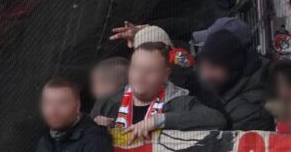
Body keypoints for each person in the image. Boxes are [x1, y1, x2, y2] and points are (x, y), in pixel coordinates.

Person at [90, 41, 228, 137]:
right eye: (136, 69)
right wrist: (93, 127)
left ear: (165, 75)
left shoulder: (179, 101)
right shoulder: (107, 103)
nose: (140, 77)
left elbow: (217, 120)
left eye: (149, 71)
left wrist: (160, 121)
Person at [194, 19, 273, 131]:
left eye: (213, 67)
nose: (205, 75)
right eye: (204, 67)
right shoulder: (222, 84)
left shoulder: (251, 105)